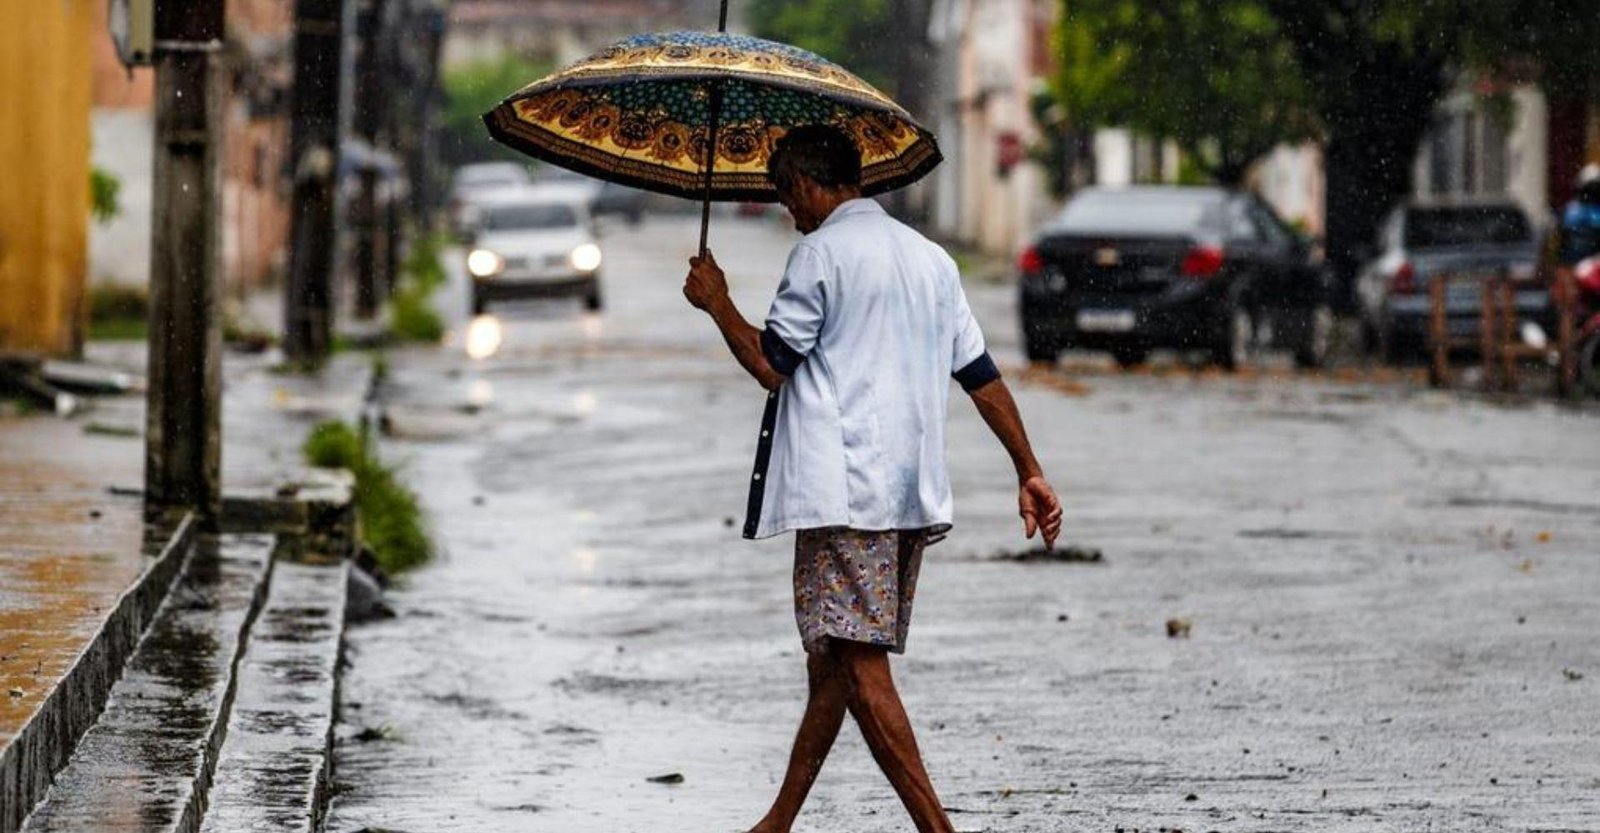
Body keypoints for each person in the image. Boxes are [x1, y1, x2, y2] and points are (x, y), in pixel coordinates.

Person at [682, 124, 1063, 833]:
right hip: (907, 492)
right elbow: (982, 379)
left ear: (804, 184)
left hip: (844, 489)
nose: (787, 211)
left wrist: (718, 302)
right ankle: (778, 821)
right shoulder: (931, 261)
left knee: (856, 660)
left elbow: (772, 364)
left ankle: (936, 828)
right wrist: (1029, 469)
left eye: (784, 195)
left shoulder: (819, 254)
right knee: (834, 658)